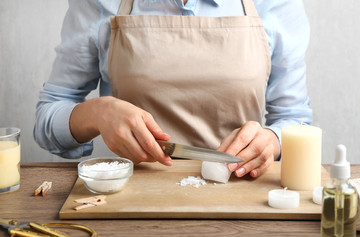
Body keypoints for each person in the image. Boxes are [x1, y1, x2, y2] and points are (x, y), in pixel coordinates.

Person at [34, 0, 312, 179]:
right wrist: (97, 113)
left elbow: (295, 118)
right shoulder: (100, 3)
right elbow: (47, 119)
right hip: (128, 206)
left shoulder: (276, 4)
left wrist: (272, 140)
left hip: (241, 201)